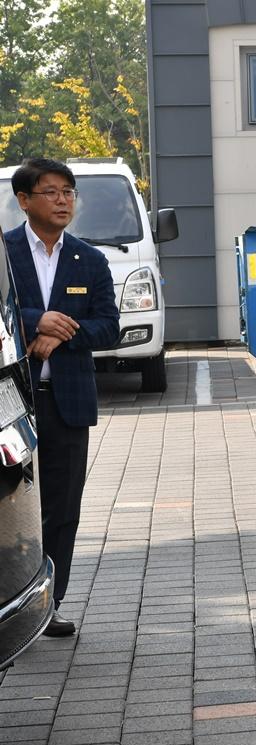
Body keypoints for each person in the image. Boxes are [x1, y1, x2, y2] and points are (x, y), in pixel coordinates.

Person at [5, 158, 119, 638]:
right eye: (50, 192)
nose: (63, 200)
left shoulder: (88, 259)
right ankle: (9, 602)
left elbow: (109, 326)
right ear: (24, 200)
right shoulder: (4, 252)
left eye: (68, 192)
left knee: (63, 509)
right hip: (13, 406)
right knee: (11, 512)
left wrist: (61, 333)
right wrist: (36, 319)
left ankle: (48, 606)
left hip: (67, 402)